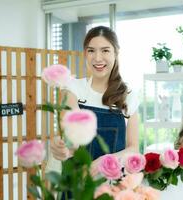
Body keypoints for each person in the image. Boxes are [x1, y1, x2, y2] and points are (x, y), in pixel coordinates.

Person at [46, 26, 139, 177]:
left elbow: (133, 148)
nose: (97, 58)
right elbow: (73, 140)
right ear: (85, 54)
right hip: (78, 182)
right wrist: (62, 147)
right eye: (91, 51)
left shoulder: (128, 96)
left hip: (114, 184)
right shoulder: (73, 88)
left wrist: (105, 161)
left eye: (105, 50)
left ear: (116, 53)